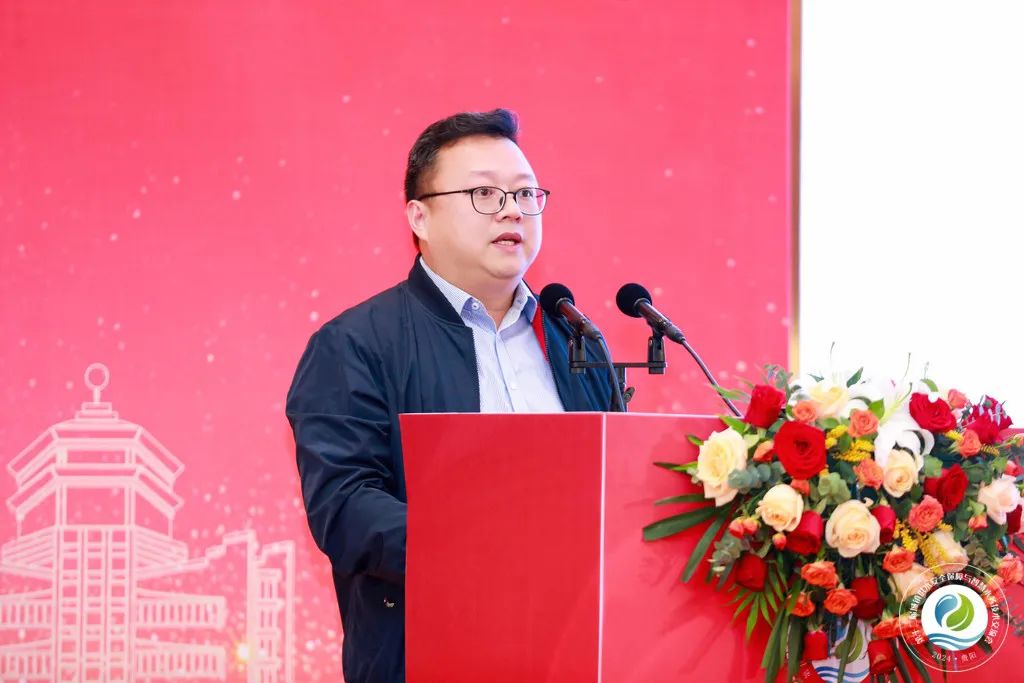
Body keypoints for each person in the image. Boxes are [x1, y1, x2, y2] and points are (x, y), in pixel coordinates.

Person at [285, 108, 612, 682]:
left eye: (525, 193)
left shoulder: (577, 341)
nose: (512, 210)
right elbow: (345, 506)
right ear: (420, 217)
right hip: (427, 656)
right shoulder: (355, 344)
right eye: (484, 193)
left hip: (576, 654)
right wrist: (486, 554)